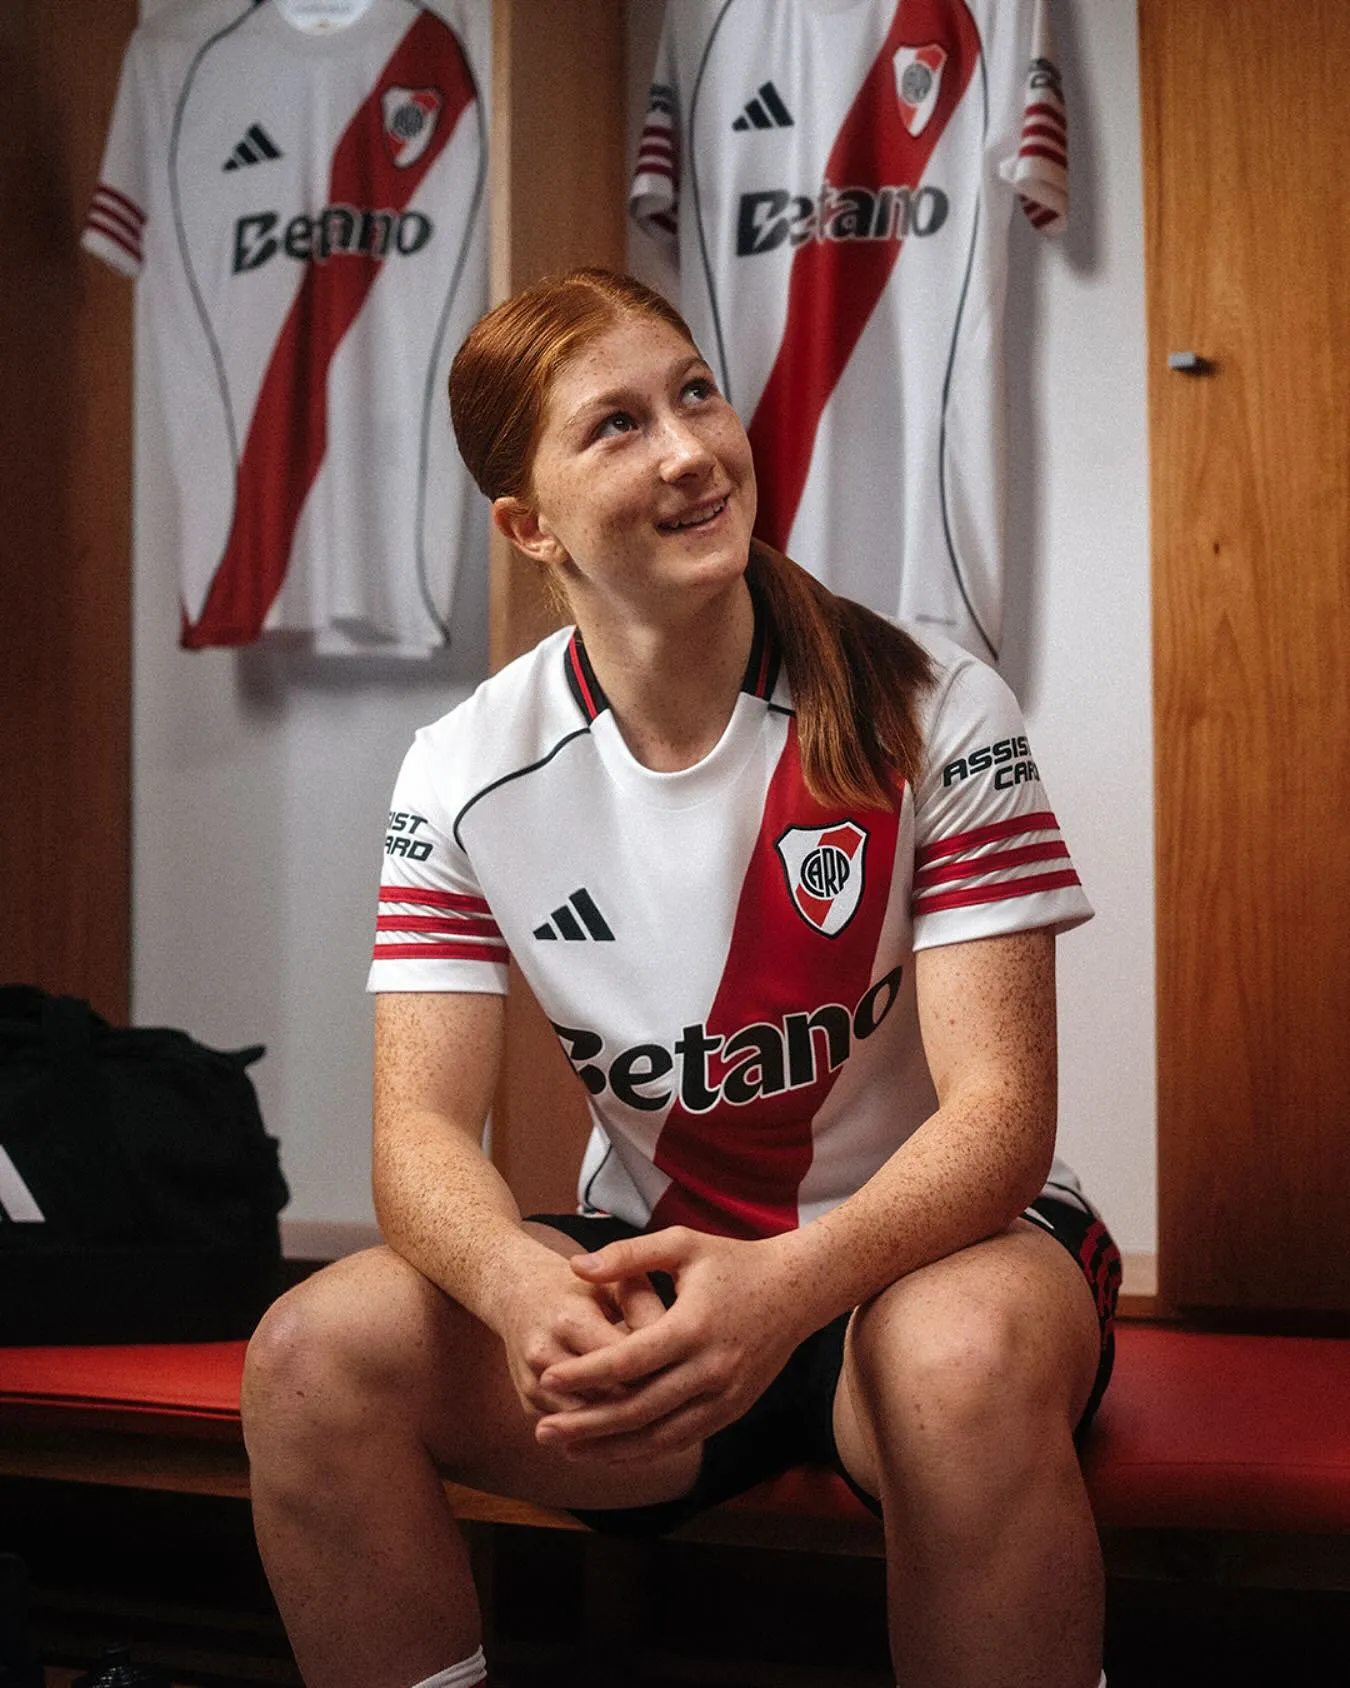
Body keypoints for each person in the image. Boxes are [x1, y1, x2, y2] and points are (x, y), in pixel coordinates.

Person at [241, 268, 1121, 1688]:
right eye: (616, 426)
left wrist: (780, 1293)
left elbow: (1001, 1114)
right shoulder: (461, 768)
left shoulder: (928, 703)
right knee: (308, 1354)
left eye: (695, 391)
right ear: (527, 526)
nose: (691, 449)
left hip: (936, 1256)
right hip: (657, 1279)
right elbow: (415, 1138)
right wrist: (525, 1291)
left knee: (952, 1368)